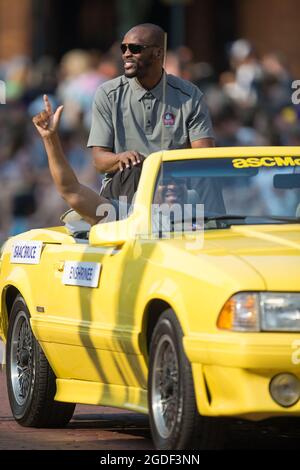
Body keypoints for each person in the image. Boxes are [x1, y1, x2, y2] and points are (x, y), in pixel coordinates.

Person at [88, 23, 215, 203]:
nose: (126, 54)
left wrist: (161, 171)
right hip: (126, 185)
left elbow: (203, 155)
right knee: (131, 170)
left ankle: (214, 229)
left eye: (135, 48)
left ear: (157, 53)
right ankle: (131, 229)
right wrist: (121, 157)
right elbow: (99, 161)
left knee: (207, 174)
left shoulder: (190, 95)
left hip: (175, 183)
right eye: (123, 48)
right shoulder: (108, 94)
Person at [33, 95, 109, 226]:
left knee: (56, 200)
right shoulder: (40, 148)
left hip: (96, 200)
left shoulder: (87, 151)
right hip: (70, 195)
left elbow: (78, 184)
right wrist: (50, 138)